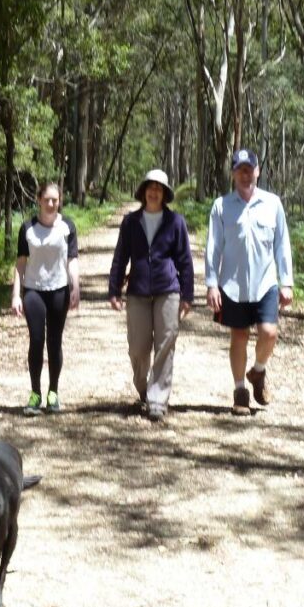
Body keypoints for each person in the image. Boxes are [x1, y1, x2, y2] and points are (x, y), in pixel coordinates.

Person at [205, 149, 294, 416]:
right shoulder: (221, 206)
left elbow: (282, 244)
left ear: (257, 171)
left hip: (265, 283)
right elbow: (213, 247)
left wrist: (286, 282)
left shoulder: (272, 203)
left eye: (249, 169)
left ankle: (258, 371)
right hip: (233, 285)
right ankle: (240, 391)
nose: (245, 175)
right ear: (233, 174)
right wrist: (211, 283)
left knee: (269, 332)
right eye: (240, 170)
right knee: (239, 336)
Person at [108, 169, 194, 422]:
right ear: (143, 191)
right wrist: (114, 289)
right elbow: (120, 256)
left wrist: (187, 294)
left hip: (168, 290)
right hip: (137, 291)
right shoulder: (130, 222)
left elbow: (185, 260)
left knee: (165, 344)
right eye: (150, 187)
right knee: (138, 347)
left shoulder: (175, 222)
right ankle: (143, 387)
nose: (154, 192)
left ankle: (158, 399)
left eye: (159, 188)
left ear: (165, 194)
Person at [11, 181, 81, 416]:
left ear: (59, 201)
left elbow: (72, 259)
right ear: (39, 200)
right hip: (33, 291)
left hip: (59, 290)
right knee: (36, 340)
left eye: (55, 200)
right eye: (47, 199)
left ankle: (53, 392)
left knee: (54, 341)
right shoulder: (27, 228)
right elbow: (21, 263)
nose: (51, 204)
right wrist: (16, 295)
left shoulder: (67, 226)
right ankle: (35, 393)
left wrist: (75, 287)